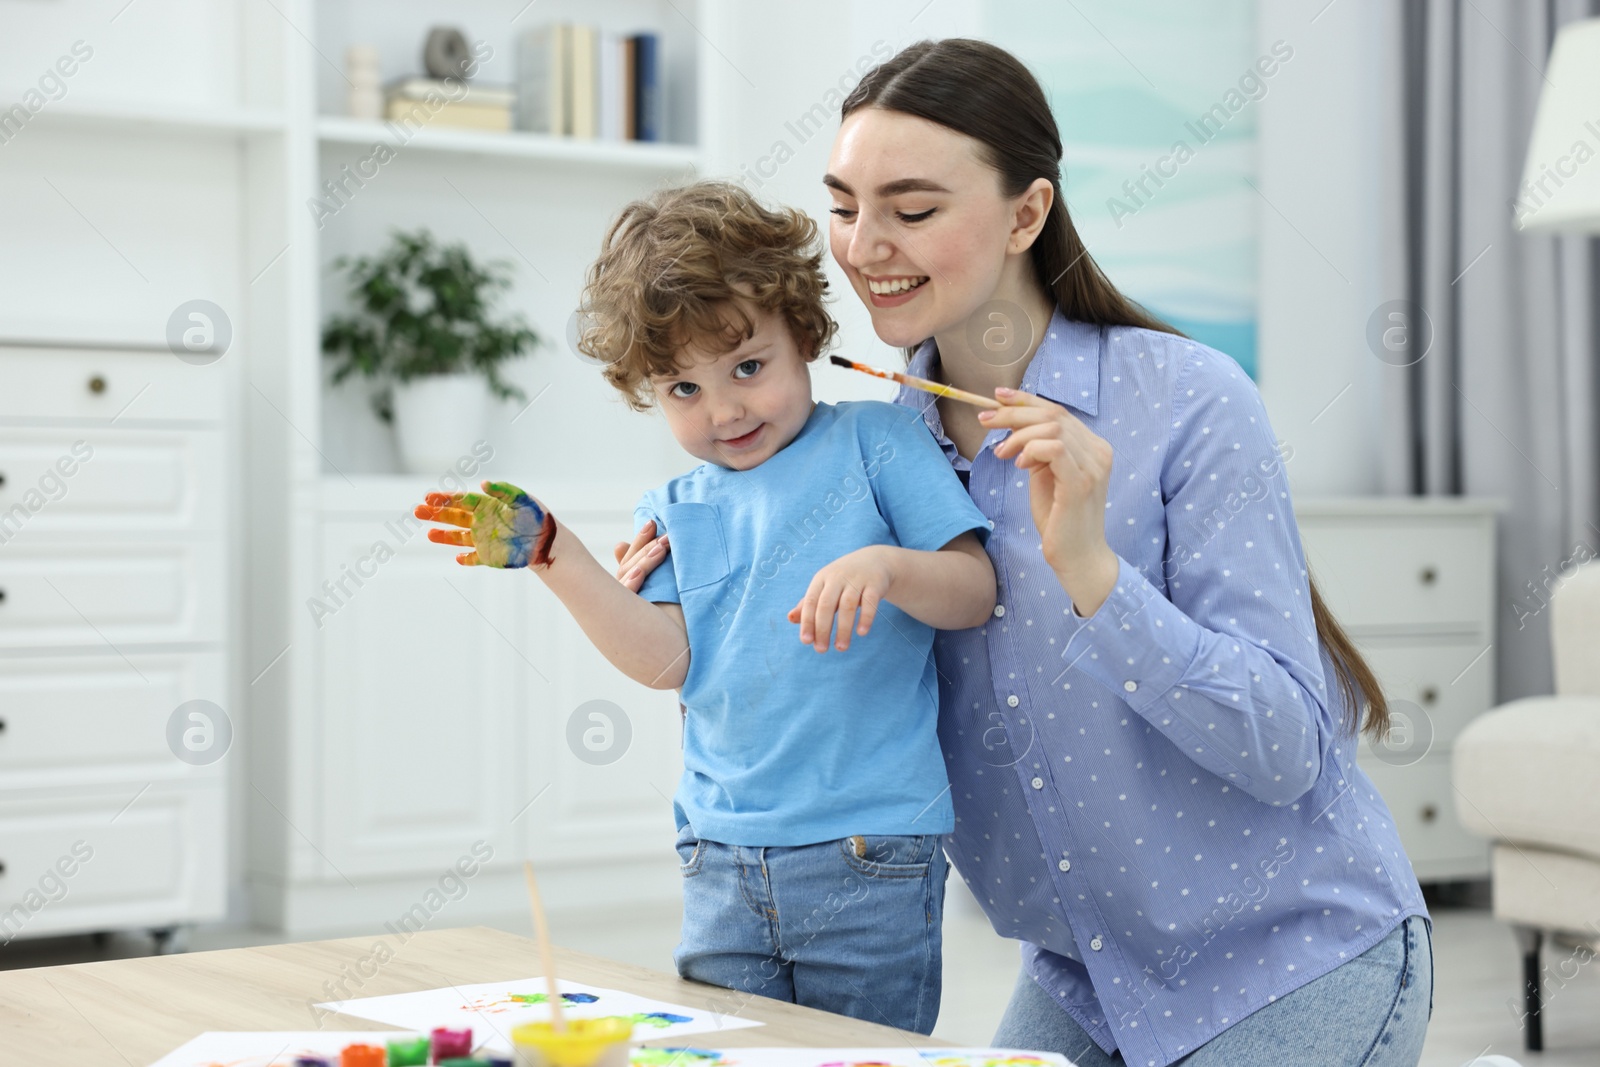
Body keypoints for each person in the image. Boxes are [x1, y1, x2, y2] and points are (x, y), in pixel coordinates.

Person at [616, 40, 1433, 1067]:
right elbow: (794, 678)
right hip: (1083, 976)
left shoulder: (1189, 401)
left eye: (911, 210)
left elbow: (1286, 750)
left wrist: (1093, 573)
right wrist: (686, 585)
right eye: (843, 205)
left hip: (1290, 953)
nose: (864, 244)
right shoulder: (874, 452)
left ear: (1026, 214)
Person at [414, 179, 996, 1035]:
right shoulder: (676, 503)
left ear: (803, 335)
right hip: (719, 860)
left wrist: (889, 568)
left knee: (861, 1058)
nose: (723, 410)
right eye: (681, 389)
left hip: (869, 853)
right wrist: (556, 555)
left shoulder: (880, 443)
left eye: (747, 368)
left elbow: (977, 591)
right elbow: (667, 662)